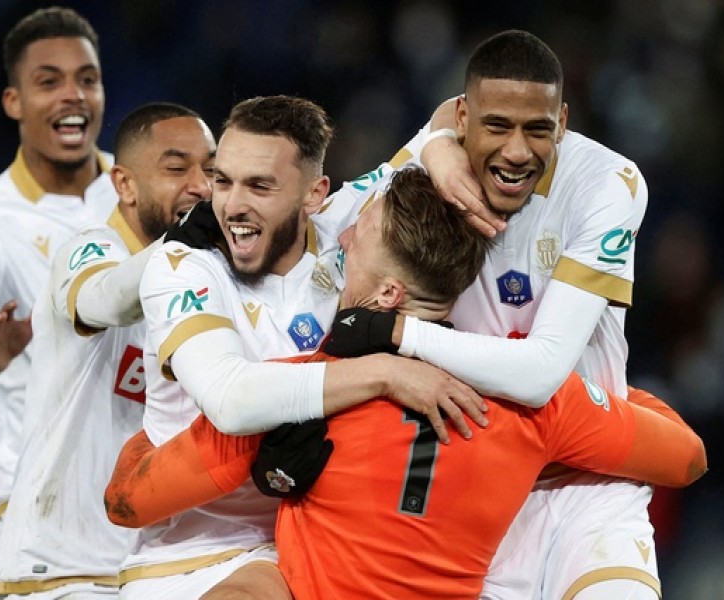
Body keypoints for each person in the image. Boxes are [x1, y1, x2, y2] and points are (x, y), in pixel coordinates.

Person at [103, 167, 707, 599]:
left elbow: (130, 502)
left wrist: (146, 429)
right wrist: (605, 399)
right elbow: (685, 458)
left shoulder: (300, 394)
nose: (338, 241)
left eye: (355, 238)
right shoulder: (536, 398)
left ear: (389, 295)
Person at [117, 96, 486, 598]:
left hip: (306, 545)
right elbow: (231, 401)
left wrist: (441, 148)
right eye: (223, 181)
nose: (231, 205)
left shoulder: (351, 223)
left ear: (315, 195)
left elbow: (452, 115)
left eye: (260, 186)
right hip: (190, 549)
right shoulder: (182, 267)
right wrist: (386, 373)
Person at [346, 29, 659, 599]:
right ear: (464, 117)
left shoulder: (608, 183)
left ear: (562, 122)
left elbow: (541, 375)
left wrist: (395, 333)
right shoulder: (422, 175)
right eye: (497, 127)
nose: (518, 152)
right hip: (474, 495)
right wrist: (429, 142)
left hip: (588, 490)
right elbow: (323, 227)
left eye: (537, 130)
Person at [0, 102, 216, 598]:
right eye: (177, 168)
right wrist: (182, 242)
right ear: (125, 185)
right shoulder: (89, 248)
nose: (201, 185)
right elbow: (104, 298)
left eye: (211, 171)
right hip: (59, 574)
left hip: (148, 571)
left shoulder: (201, 285)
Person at [0, 6, 114, 543]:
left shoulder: (138, 193)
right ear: (13, 102)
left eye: (88, 80)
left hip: (153, 500)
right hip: (46, 514)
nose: (73, 95)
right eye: (49, 81)